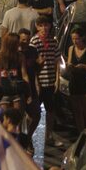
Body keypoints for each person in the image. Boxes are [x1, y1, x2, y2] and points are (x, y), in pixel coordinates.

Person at [31, 16, 61, 147]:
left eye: (46, 25)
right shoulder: (34, 41)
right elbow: (32, 64)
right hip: (39, 82)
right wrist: (36, 82)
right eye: (41, 25)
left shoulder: (53, 42)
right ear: (37, 26)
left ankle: (48, 136)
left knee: (51, 110)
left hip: (50, 80)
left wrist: (57, 80)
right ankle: (31, 137)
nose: (44, 28)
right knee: (35, 112)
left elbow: (57, 61)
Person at [66, 28, 86, 132]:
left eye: (77, 39)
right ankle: (81, 134)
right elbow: (69, 62)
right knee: (77, 112)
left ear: (82, 38)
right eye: (73, 39)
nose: (75, 41)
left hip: (85, 82)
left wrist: (84, 66)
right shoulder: (71, 48)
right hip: (74, 81)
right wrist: (69, 65)